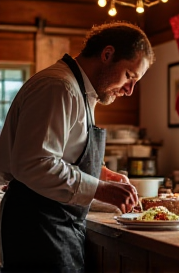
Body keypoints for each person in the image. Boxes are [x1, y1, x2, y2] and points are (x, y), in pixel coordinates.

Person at [0, 21, 155, 273]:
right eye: (129, 76)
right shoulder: (58, 87)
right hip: (37, 226)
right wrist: (100, 188)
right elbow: (34, 164)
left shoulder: (82, 92)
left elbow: (65, 151)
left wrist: (102, 173)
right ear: (107, 55)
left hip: (56, 224)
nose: (129, 90)